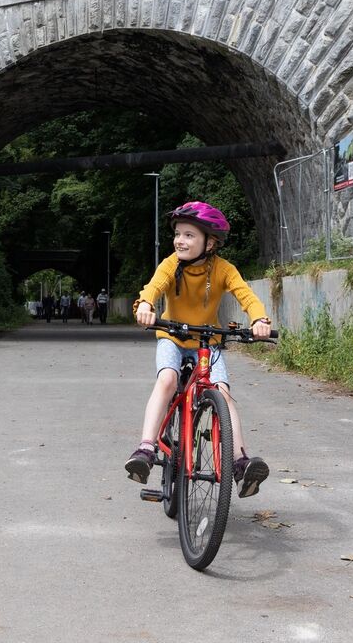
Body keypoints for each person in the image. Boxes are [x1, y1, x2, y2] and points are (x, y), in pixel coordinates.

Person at [124, 200, 272, 499]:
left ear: (210, 242)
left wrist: (259, 319)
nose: (180, 240)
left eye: (190, 235)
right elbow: (152, 288)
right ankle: (146, 449)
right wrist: (146, 307)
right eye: (178, 233)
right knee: (167, 380)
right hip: (173, 338)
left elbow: (247, 296)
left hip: (208, 342)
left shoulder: (223, 269)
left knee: (223, 392)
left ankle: (241, 462)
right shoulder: (170, 264)